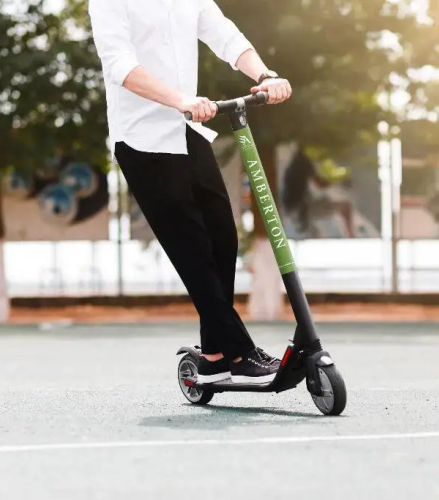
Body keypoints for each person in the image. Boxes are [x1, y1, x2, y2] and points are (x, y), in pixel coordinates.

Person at [88, 0, 293, 384]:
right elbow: (119, 65)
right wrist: (180, 99)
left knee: (222, 239)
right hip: (142, 139)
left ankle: (213, 355)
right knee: (192, 248)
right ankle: (239, 353)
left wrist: (265, 74)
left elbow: (224, 35)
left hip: (186, 130)